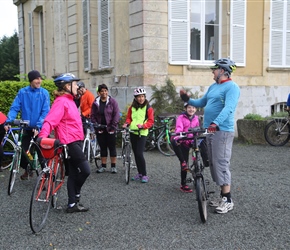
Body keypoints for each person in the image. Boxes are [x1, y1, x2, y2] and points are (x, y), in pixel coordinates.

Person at [180, 58, 240, 214]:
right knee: (212, 163)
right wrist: (188, 100)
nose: (212, 72)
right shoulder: (214, 86)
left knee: (221, 162)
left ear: (222, 71)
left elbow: (229, 108)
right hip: (210, 130)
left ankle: (228, 199)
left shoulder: (232, 87)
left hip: (222, 130)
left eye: (214, 69)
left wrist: (216, 123)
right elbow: (201, 102)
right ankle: (222, 196)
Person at [38, 73, 90, 213]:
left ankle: (72, 204)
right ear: (67, 86)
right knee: (86, 170)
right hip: (69, 142)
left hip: (76, 140)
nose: (77, 86)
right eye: (74, 84)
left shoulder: (70, 100)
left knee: (73, 173)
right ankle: (76, 195)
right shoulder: (61, 101)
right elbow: (50, 120)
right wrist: (43, 135)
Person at [4, 70, 50, 179]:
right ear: (31, 80)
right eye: (36, 79)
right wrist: (9, 120)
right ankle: (28, 168)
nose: (39, 81)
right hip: (26, 128)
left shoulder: (44, 93)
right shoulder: (22, 92)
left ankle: (45, 177)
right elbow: (15, 107)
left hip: (40, 129)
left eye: (40, 78)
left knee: (41, 153)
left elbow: (45, 111)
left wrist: (39, 125)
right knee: (24, 151)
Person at [122, 87, 154, 183]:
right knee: (136, 154)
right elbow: (129, 118)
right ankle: (139, 173)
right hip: (133, 132)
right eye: (139, 97)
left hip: (142, 133)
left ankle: (144, 174)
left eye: (143, 96)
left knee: (140, 153)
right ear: (135, 98)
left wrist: (144, 126)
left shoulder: (148, 108)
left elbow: (151, 121)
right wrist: (126, 123)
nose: (141, 98)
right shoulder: (132, 108)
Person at [91, 84, 120, 173]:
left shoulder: (112, 102)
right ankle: (103, 166)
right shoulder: (95, 102)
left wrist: (113, 126)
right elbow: (93, 115)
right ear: (99, 93)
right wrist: (96, 124)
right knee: (102, 147)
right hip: (100, 128)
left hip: (111, 127)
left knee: (112, 147)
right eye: (102, 91)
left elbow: (116, 114)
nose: (104, 93)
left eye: (105, 91)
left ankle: (113, 166)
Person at [171, 103, 199, 193]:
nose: (191, 109)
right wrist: (180, 135)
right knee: (184, 163)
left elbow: (198, 129)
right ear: (186, 108)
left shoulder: (196, 118)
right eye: (189, 107)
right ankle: (183, 184)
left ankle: (204, 162)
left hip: (192, 140)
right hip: (184, 140)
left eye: (193, 108)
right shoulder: (181, 117)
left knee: (202, 143)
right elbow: (179, 128)